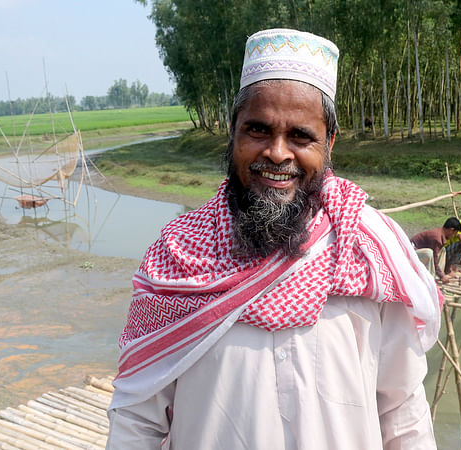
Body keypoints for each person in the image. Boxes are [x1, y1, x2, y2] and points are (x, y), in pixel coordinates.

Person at [106, 28, 442, 449]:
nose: (278, 153)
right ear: (233, 133)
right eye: (259, 131)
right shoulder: (176, 258)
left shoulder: (367, 248)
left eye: (301, 136)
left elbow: (403, 411)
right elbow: (136, 418)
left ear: (329, 143)